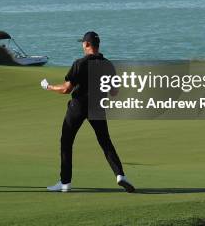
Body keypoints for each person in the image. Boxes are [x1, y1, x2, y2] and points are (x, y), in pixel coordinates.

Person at [41, 31, 135, 193]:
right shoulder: (107, 64)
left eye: (82, 43)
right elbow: (114, 92)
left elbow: (66, 89)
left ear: (86, 44)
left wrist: (48, 86)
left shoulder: (80, 63)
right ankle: (120, 175)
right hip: (97, 106)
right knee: (105, 142)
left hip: (78, 106)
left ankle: (65, 183)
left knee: (66, 142)